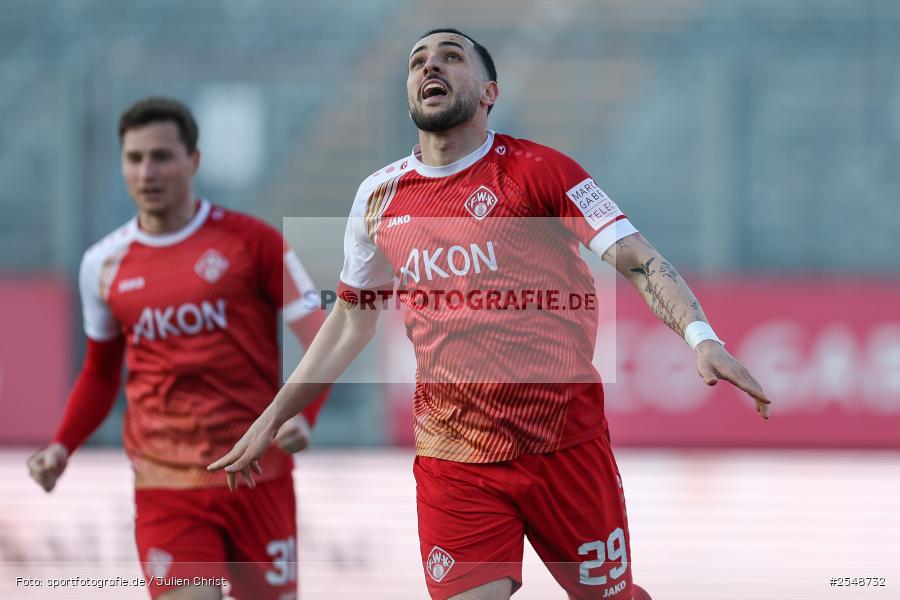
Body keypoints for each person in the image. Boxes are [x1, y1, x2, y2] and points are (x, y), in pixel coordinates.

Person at [209, 29, 770, 600]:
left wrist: (700, 336)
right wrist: (273, 414)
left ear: (489, 92)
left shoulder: (542, 172)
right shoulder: (378, 197)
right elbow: (354, 320)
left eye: (452, 57)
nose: (432, 66)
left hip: (563, 446)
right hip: (454, 454)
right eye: (418, 62)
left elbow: (636, 258)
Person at [26, 97, 330, 600]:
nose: (147, 171)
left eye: (162, 156)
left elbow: (322, 334)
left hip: (257, 473)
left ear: (193, 161)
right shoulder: (102, 264)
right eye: (135, 157)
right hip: (166, 484)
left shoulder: (252, 243)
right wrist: (62, 445)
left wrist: (303, 416)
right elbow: (101, 374)